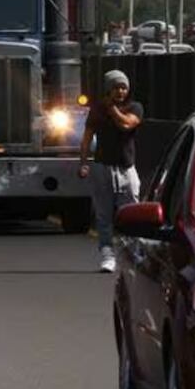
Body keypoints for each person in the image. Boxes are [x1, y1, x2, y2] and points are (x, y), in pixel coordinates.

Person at [79, 70, 144, 273]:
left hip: (126, 169)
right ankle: (107, 254)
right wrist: (83, 162)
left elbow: (126, 124)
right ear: (108, 89)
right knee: (104, 214)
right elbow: (87, 137)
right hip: (102, 168)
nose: (120, 91)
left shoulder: (135, 107)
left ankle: (132, 251)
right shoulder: (97, 110)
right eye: (116, 87)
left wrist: (112, 109)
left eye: (123, 87)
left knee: (132, 212)